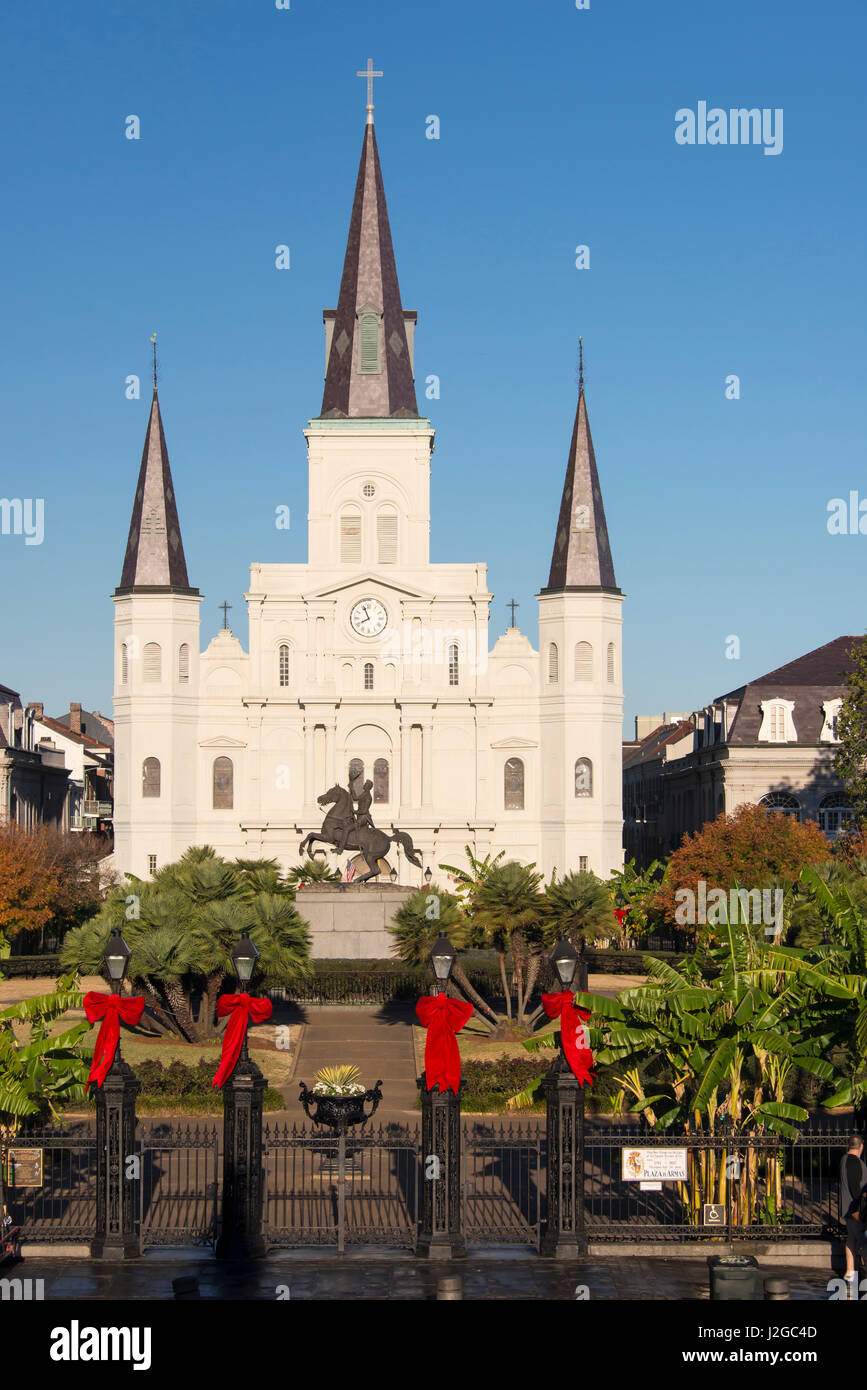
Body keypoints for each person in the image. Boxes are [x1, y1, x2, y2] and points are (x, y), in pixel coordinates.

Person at [840, 1134, 867, 1295]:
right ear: (861, 1147)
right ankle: (861, 1275)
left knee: (851, 1240)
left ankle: (850, 1273)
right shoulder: (854, 1162)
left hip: (847, 1208)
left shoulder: (844, 1160)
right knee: (862, 1242)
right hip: (856, 1210)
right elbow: (856, 1189)